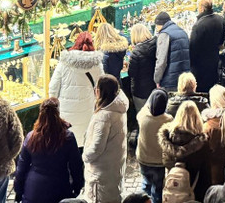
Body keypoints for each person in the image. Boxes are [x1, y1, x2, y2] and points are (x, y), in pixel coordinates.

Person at [13, 97, 84, 203]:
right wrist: (77, 188)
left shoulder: (31, 137)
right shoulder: (67, 137)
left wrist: (18, 191)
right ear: (58, 113)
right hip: (60, 190)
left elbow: (21, 168)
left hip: (33, 192)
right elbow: (76, 166)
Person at [49, 31, 104, 152]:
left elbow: (53, 87)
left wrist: (54, 108)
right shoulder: (97, 65)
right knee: (83, 140)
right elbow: (101, 88)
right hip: (87, 109)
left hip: (65, 111)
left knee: (66, 141)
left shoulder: (64, 63)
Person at [83, 74, 130, 203]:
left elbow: (97, 148)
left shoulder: (104, 116)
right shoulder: (119, 108)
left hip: (101, 173)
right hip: (114, 166)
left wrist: (85, 156)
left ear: (100, 91)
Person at [159, 100, 212, 202]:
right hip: (195, 190)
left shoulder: (168, 139)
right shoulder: (202, 142)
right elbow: (205, 173)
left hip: (173, 189)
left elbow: (166, 162)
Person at [136, 89, 172, 203]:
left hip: (143, 159)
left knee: (146, 183)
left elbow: (146, 106)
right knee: (158, 187)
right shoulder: (168, 120)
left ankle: (144, 199)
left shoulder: (142, 116)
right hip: (158, 162)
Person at [190, 0, 225, 93]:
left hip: (200, 64)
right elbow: (222, 40)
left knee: (202, 88)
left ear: (202, 9)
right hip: (214, 58)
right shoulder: (220, 19)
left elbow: (193, 47)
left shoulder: (198, 25)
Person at [153, 11, 191, 91]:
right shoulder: (182, 31)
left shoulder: (164, 34)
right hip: (185, 77)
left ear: (159, 24)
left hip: (171, 81)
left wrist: (157, 79)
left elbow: (161, 61)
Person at [128, 23, 158, 112]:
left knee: (142, 115)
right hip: (155, 85)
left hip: (140, 90)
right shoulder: (157, 44)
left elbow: (131, 73)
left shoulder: (136, 52)